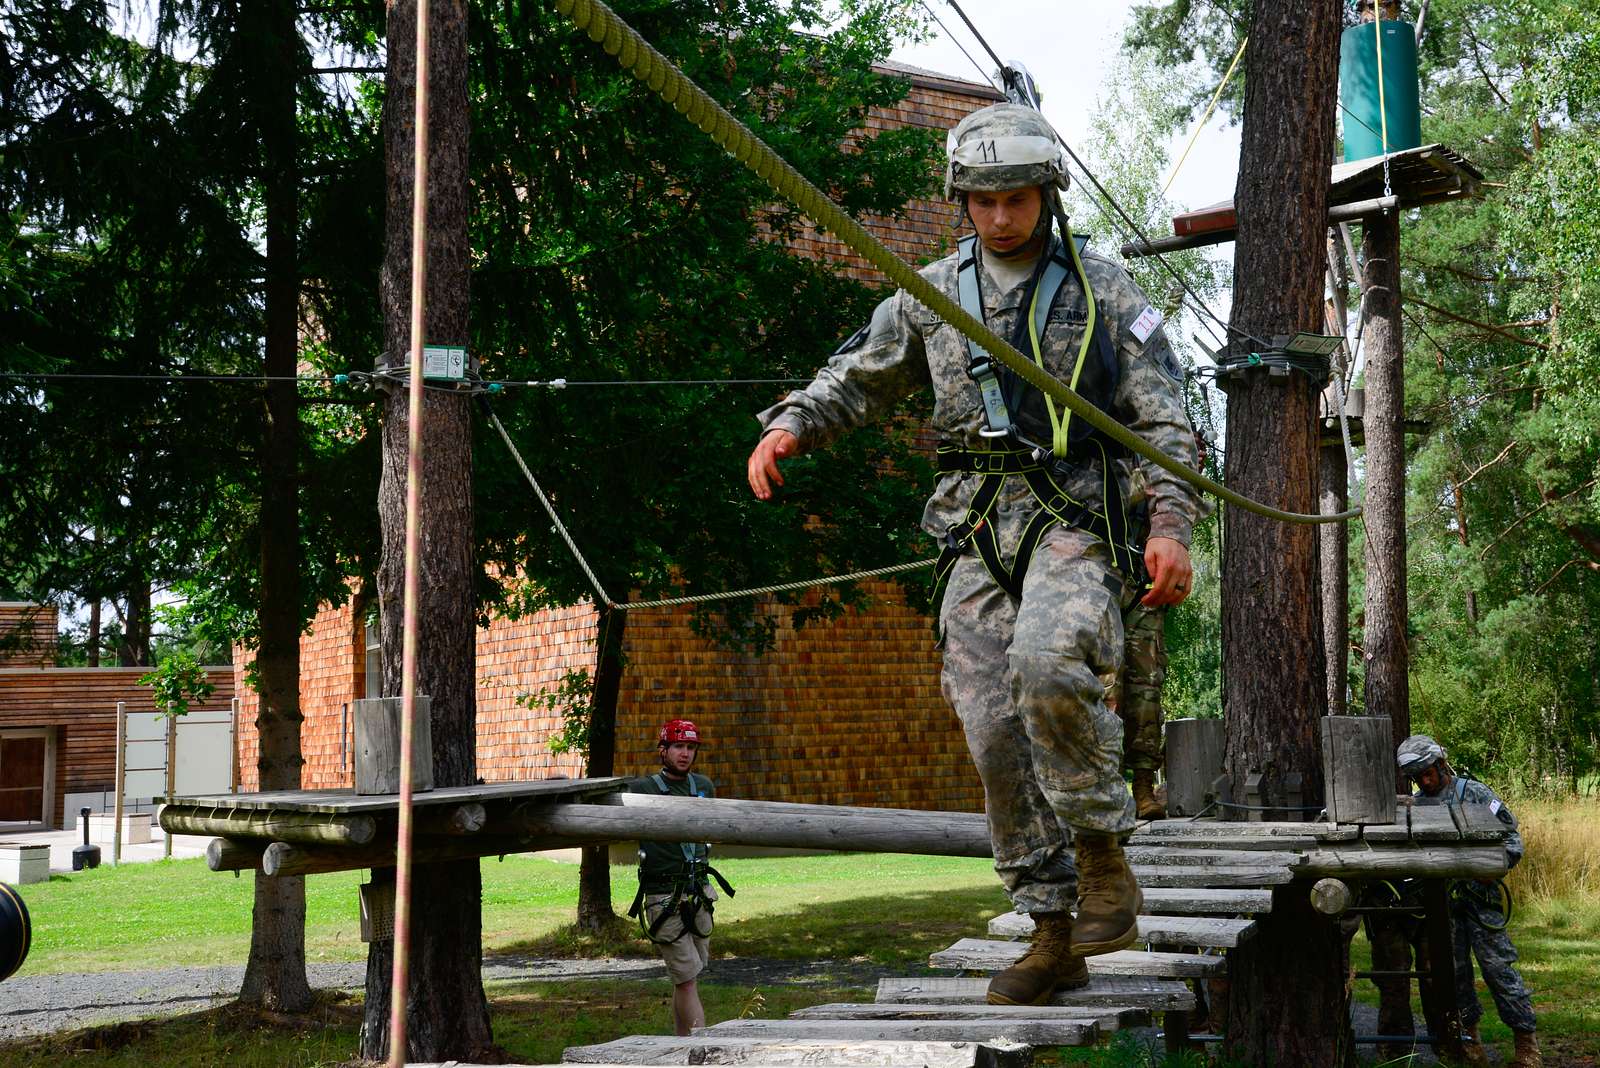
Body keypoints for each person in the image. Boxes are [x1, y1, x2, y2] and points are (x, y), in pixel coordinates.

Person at [747, 101, 1204, 1006]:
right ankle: (1051, 930)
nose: (1002, 217)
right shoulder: (928, 294)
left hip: (1074, 520)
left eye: (1019, 198)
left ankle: (1106, 855)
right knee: (991, 729)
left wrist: (1171, 525)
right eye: (985, 200)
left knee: (1047, 666)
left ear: (1047, 195)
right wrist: (794, 422)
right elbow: (860, 375)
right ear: (962, 200)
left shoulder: (1104, 292)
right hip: (971, 530)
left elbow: (1164, 419)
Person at [1396, 734, 1540, 1068]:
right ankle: (1470, 1044)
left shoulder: (1475, 793)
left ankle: (1526, 1045)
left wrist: (1497, 865)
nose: (1425, 780)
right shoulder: (1418, 806)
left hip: (1480, 901)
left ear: (1441, 764)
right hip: (1442, 907)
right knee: (1454, 976)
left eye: (1428, 772)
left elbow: (1511, 836)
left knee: (1498, 970)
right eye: (1417, 777)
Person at [627, 719, 731, 1036]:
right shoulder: (641, 789)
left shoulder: (704, 787)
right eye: (678, 747)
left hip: (698, 891)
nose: (685, 754)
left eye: (690, 747)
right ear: (664, 750)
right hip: (663, 896)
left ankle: (680, 1044)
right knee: (686, 977)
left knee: (688, 976)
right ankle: (702, 1047)